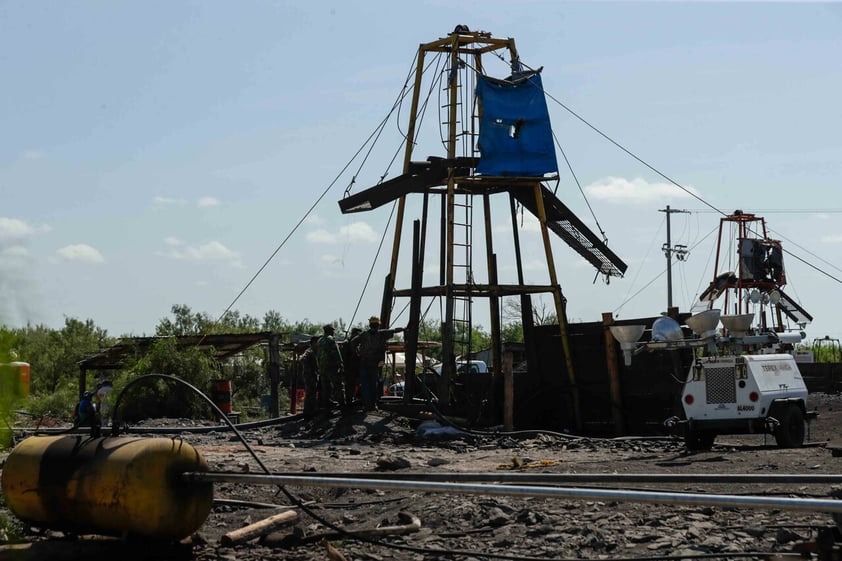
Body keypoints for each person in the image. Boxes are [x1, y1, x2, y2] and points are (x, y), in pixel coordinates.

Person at [351, 316, 407, 411]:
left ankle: (367, 405)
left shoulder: (363, 334)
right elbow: (394, 330)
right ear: (378, 325)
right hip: (375, 364)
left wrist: (357, 353)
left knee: (365, 386)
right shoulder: (382, 334)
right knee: (373, 385)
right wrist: (404, 328)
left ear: (370, 324)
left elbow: (352, 342)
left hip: (364, 363)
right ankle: (373, 405)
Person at [317, 324, 344, 409]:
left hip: (322, 368)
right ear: (329, 331)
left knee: (326, 390)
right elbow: (336, 353)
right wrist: (341, 364)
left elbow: (317, 355)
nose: (333, 332)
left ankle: (326, 409)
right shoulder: (330, 339)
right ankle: (343, 407)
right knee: (338, 386)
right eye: (332, 330)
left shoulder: (320, 340)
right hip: (331, 367)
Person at [342, 327, 363, 406]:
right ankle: (349, 403)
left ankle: (358, 401)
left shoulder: (358, 344)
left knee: (360, 384)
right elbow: (344, 357)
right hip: (350, 369)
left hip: (357, 368)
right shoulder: (347, 343)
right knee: (350, 386)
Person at [301, 336, 320, 418]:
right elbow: (302, 359)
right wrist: (309, 369)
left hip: (312, 375)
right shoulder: (309, 351)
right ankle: (308, 412)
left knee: (312, 392)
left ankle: (310, 411)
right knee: (310, 393)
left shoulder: (314, 351)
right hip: (309, 375)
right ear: (313, 342)